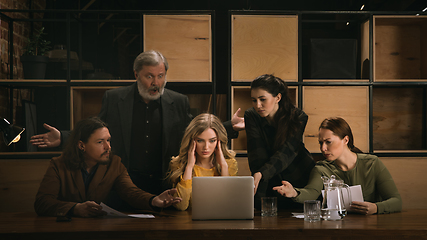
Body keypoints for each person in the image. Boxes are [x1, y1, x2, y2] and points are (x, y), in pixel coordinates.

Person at [30, 50, 244, 196]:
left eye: (160, 76)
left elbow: (192, 130)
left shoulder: (178, 101)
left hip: (165, 181)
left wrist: (227, 126)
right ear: (136, 74)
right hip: (125, 182)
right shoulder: (114, 99)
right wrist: (64, 138)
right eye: (149, 76)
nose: (156, 83)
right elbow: (96, 130)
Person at [34, 117, 182, 217]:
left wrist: (154, 200)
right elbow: (42, 202)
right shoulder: (59, 164)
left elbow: (131, 192)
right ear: (81, 145)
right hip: (63, 230)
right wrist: (75, 208)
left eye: (109, 140)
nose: (108, 147)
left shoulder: (114, 164)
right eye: (100, 142)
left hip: (98, 231)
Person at [273, 117, 402, 215]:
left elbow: (396, 201)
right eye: (320, 143)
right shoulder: (321, 168)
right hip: (336, 228)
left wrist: (376, 208)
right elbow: (311, 192)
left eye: (328, 142)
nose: (323, 148)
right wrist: (294, 193)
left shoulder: (372, 163)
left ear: (345, 140)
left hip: (371, 228)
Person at [245, 74, 315, 210]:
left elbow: (287, 152)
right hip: (269, 177)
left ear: (278, 97)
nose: (258, 105)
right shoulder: (251, 116)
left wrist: (261, 174)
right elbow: (256, 155)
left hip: (299, 173)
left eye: (262, 99)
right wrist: (258, 199)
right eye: (254, 100)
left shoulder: (298, 116)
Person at [165, 113, 238, 211]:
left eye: (212, 141)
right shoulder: (179, 164)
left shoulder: (229, 164)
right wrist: (189, 166)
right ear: (191, 140)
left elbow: (229, 204)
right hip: (189, 223)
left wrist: (223, 166)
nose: (206, 147)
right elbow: (181, 206)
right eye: (200, 141)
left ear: (219, 141)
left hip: (221, 221)